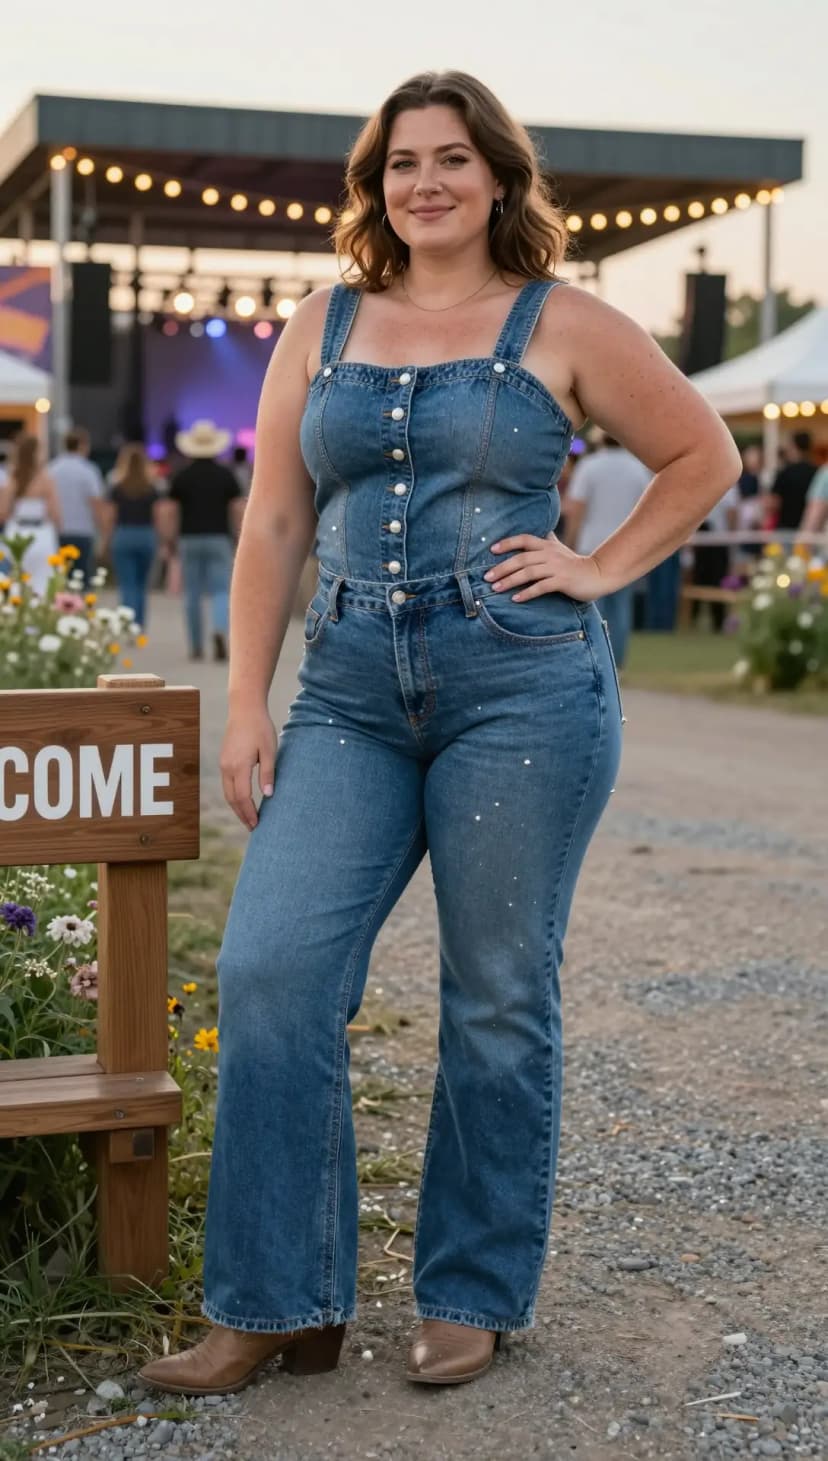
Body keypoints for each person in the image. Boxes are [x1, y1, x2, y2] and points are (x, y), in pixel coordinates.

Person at [138, 69, 740, 1398]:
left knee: (496, 991)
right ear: (376, 186)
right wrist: (245, 700)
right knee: (271, 969)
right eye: (403, 161)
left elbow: (705, 455)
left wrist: (597, 565)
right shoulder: (324, 323)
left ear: (499, 179)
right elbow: (277, 522)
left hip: (520, 688)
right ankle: (273, 1301)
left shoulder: (564, 321)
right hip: (348, 691)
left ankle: (471, 1290)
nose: (426, 182)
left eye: (453, 159)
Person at [562, 435, 650, 667]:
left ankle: (596, 659)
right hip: (626, 546)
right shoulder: (637, 469)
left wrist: (568, 542)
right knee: (622, 607)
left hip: (591, 545)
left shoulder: (589, 466)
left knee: (593, 608)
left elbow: (576, 509)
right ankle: (617, 661)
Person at [161, 421, 243, 661]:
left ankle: (196, 645)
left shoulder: (182, 476)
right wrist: (240, 535)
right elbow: (237, 508)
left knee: (192, 594)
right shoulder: (226, 475)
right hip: (219, 537)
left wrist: (169, 538)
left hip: (189, 537)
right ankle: (219, 629)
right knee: (220, 590)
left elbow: (170, 510)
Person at [101, 444, 162, 629]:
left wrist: (106, 538)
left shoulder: (117, 487)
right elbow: (157, 515)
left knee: (127, 583)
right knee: (142, 584)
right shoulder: (151, 488)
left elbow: (110, 516)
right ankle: (140, 623)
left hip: (124, 534)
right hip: (145, 534)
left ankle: (127, 623)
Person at [0, 434, 61, 594]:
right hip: (41, 533)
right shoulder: (45, 478)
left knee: (16, 579)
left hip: (17, 532)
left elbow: (3, 512)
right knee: (42, 579)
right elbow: (55, 512)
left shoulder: (12, 478)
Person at [47, 427, 105, 585]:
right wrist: (103, 530)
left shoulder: (52, 468)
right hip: (82, 530)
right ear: (82, 445)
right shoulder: (89, 471)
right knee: (81, 579)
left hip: (58, 530)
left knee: (60, 579)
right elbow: (96, 503)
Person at [689, 480, 741, 631]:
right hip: (716, 542)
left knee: (704, 581)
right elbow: (732, 512)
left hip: (711, 541)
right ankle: (714, 621)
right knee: (712, 582)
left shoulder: (702, 481)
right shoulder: (728, 481)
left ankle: (703, 619)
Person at [769, 431, 817, 532]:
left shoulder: (784, 472)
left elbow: (774, 503)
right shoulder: (817, 472)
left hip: (786, 527)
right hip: (810, 529)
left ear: (793, 445)